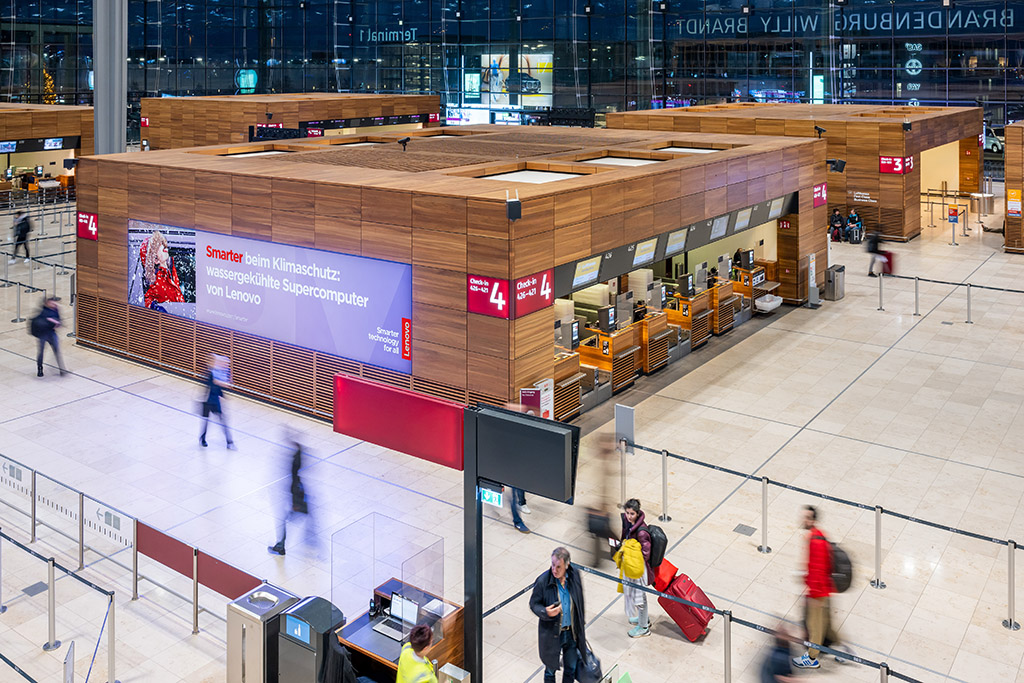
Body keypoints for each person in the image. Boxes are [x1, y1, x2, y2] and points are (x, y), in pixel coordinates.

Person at [793, 505, 847, 669]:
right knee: (826, 624)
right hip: (824, 589)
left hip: (818, 592)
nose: (804, 520)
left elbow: (817, 569)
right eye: (804, 516)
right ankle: (842, 650)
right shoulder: (819, 535)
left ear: (813, 520)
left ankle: (811, 658)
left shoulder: (815, 540)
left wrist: (814, 594)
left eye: (807, 517)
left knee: (814, 626)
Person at [530, 547, 586, 683]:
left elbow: (580, 601)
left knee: (571, 669)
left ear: (567, 565)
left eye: (559, 566)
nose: (554, 569)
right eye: (553, 565)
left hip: (571, 633)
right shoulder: (543, 581)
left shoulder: (575, 576)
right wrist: (545, 612)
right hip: (552, 635)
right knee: (550, 671)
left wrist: (580, 625)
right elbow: (534, 604)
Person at [268, 432, 312, 556]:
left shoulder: (295, 479)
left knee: (283, 521)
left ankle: (280, 546)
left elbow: (295, 489)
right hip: (299, 498)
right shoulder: (298, 472)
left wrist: (294, 504)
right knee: (302, 517)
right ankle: (283, 544)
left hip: (297, 500)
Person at [618, 498, 653, 638]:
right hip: (631, 566)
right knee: (638, 596)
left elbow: (646, 553)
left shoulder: (641, 532)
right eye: (627, 513)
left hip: (638, 569)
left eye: (632, 513)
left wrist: (633, 559)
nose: (629, 516)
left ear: (637, 513)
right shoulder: (629, 524)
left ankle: (644, 627)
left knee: (640, 598)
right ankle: (643, 619)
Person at [141, 230, 185, 310]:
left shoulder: (171, 272)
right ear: (155, 259)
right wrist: (155, 307)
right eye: (160, 246)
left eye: (165, 246)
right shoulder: (155, 280)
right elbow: (147, 300)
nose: (166, 249)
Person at [199, 354, 234, 449]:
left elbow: (218, 387)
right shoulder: (211, 373)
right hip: (207, 401)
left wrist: (223, 395)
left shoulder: (217, 372)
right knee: (206, 422)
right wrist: (226, 383)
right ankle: (202, 438)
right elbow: (215, 382)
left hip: (215, 401)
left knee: (222, 421)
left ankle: (229, 441)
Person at [32, 298, 66, 377]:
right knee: (41, 352)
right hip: (43, 333)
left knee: (57, 351)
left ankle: (62, 369)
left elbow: (59, 320)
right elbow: (43, 320)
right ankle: (40, 368)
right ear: (47, 303)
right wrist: (52, 321)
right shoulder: (43, 311)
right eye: (52, 303)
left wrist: (57, 323)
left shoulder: (56, 310)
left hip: (51, 333)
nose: (54, 305)